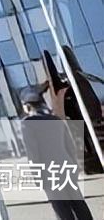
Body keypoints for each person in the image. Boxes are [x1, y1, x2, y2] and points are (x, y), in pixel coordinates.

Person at [19, 85, 96, 220]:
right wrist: (75, 166)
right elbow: (70, 146)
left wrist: (37, 177)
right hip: (67, 167)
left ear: (27, 106)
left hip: (49, 172)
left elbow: (33, 154)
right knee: (78, 203)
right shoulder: (56, 119)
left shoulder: (28, 123)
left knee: (61, 208)